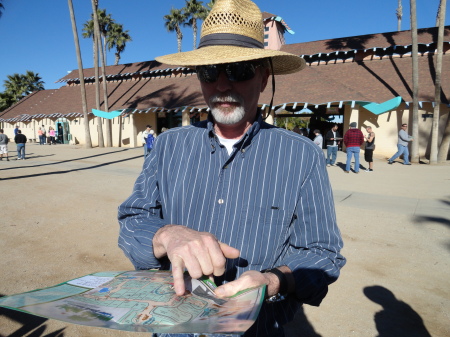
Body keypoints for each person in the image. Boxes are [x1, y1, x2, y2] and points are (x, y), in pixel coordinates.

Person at [118, 1, 345, 336]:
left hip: (256, 328)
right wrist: (166, 235)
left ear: (264, 77)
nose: (222, 85)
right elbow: (133, 218)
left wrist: (272, 281)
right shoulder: (168, 146)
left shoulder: (302, 156)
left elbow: (323, 253)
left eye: (238, 70)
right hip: (173, 326)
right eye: (210, 72)